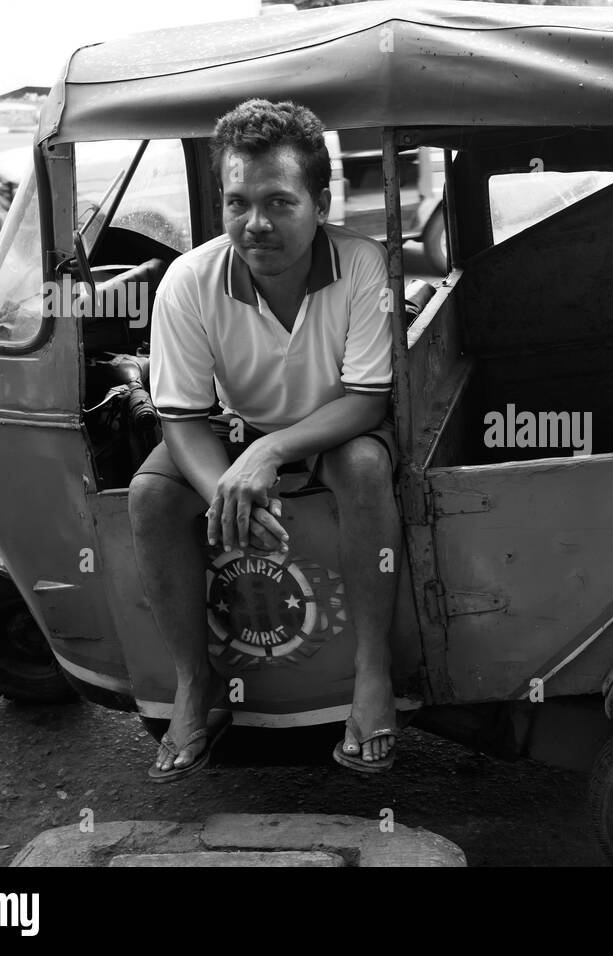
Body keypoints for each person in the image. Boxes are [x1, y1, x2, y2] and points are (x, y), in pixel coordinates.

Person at [129, 99, 401, 780]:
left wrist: (269, 452)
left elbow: (367, 400)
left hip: (339, 425)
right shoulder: (189, 281)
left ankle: (373, 676)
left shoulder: (367, 265)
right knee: (149, 499)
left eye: (280, 202)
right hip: (237, 429)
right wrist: (226, 490)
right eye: (238, 203)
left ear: (321, 201)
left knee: (365, 467)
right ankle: (197, 685)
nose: (256, 224)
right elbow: (184, 418)